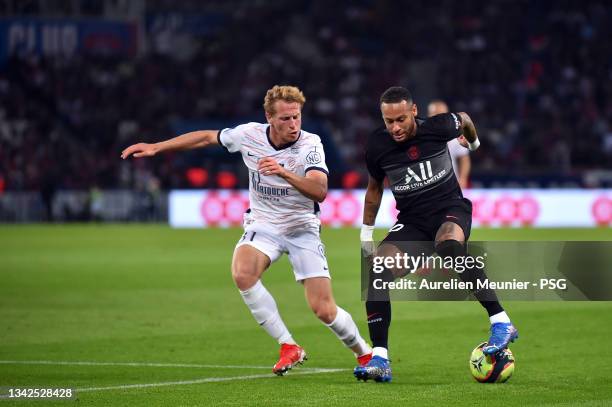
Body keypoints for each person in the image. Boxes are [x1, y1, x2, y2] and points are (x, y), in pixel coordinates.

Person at [121, 85, 372, 376]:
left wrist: (284, 172)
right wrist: (156, 147)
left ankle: (365, 354)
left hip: (301, 227)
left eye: (297, 117)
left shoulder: (310, 144)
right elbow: (205, 138)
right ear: (269, 117)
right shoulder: (249, 135)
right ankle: (288, 345)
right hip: (263, 224)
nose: (293, 125)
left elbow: (320, 191)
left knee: (323, 309)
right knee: (242, 273)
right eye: (285, 119)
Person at [353, 86, 518, 382]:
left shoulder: (439, 126)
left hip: (450, 208)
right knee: (376, 271)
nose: (395, 127)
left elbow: (465, 118)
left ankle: (501, 321)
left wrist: (474, 143)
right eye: (388, 121)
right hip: (413, 222)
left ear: (414, 111)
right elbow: (374, 188)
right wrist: (366, 234)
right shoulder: (377, 146)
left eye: (401, 119)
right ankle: (380, 359)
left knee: (448, 246)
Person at [428, 100, 471, 189]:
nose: (438, 117)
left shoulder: (456, 135)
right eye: (435, 114)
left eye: (441, 114)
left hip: (451, 184)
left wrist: (463, 179)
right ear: (429, 115)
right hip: (428, 186)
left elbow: (464, 160)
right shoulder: (422, 135)